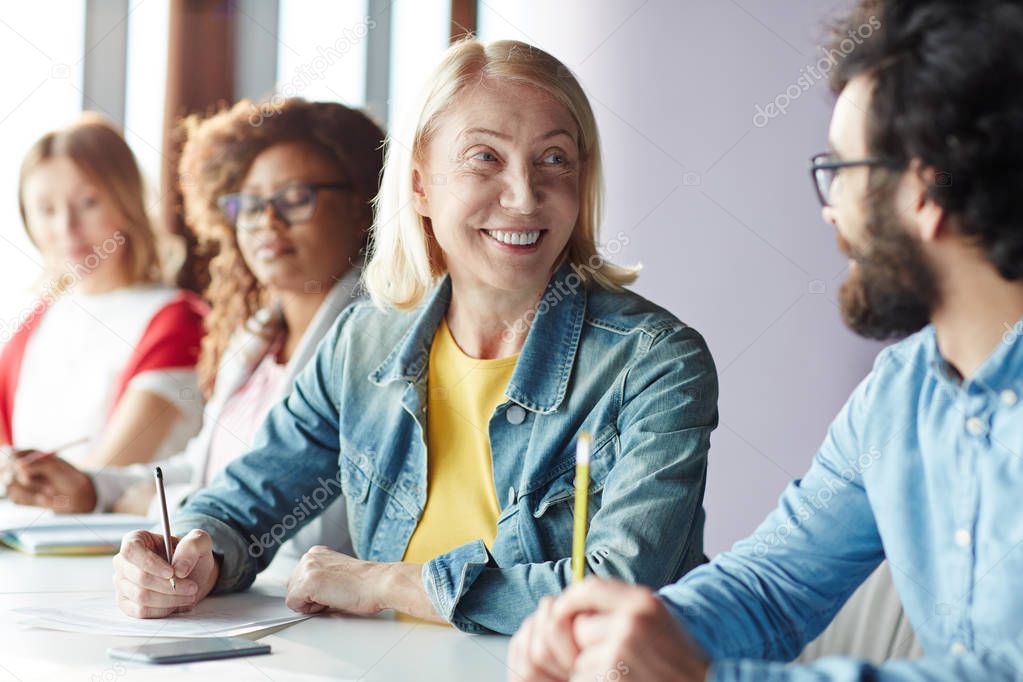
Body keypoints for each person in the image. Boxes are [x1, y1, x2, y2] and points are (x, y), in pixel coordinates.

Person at [110, 38, 719, 633]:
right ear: (422, 184)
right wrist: (186, 560)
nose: (524, 194)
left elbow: (619, 592)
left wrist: (389, 583)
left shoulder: (656, 362)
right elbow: (242, 508)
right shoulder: (363, 343)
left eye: (554, 158)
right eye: (485, 157)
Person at [508, 1, 1023, 679]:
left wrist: (704, 677)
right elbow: (771, 589)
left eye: (841, 171)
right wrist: (630, 633)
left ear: (922, 192)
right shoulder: (898, 397)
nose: (828, 208)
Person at [6, 99, 384, 573]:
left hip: (311, 612)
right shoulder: (256, 338)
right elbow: (200, 467)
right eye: (249, 204)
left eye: (294, 198)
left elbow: (315, 528)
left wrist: (181, 511)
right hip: (233, 596)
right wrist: (94, 488)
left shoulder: (377, 339)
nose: (267, 222)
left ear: (359, 205)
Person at [1, 113, 204, 487]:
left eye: (88, 202)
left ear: (125, 200)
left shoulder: (177, 320)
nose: (66, 228)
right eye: (46, 210)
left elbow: (99, 480)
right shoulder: (32, 326)